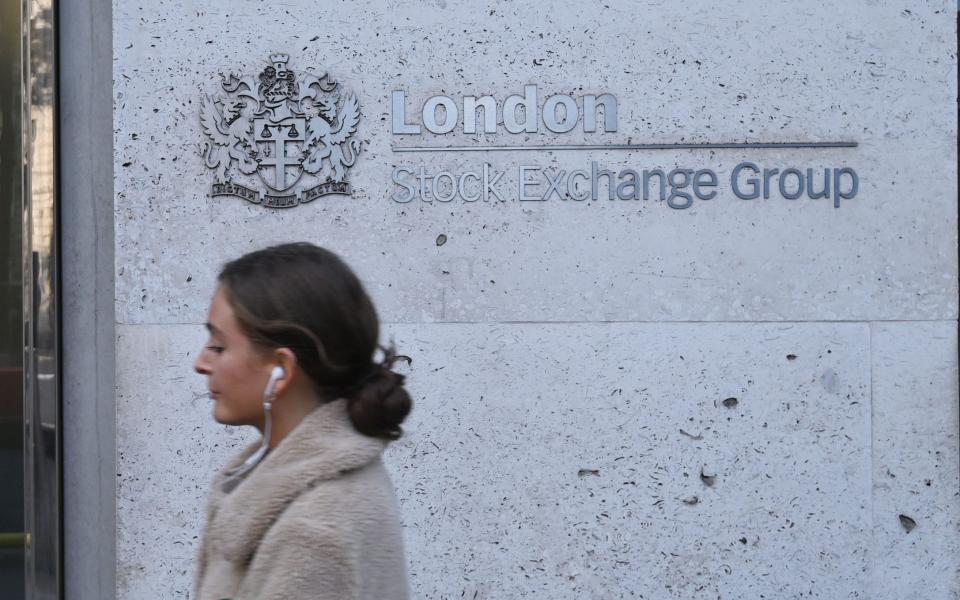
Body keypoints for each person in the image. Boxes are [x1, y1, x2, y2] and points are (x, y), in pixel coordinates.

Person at [192, 242, 411, 600]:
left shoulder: (313, 532)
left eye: (218, 346)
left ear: (282, 370)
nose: (200, 363)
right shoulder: (308, 484)